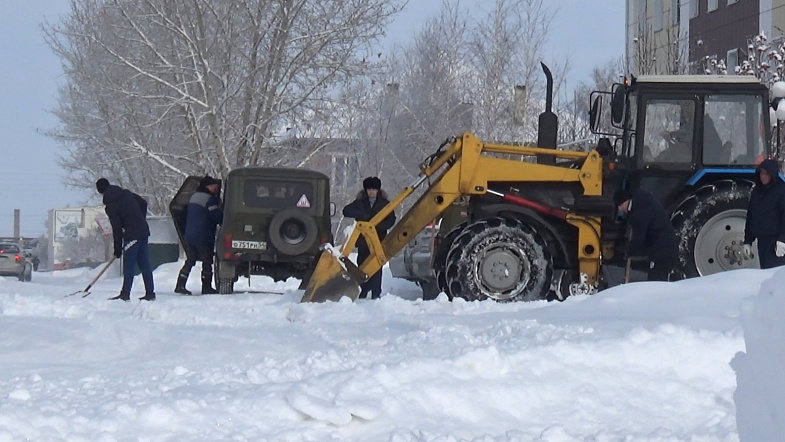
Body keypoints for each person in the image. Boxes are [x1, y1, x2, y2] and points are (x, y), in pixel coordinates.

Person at [96, 178, 156, 301]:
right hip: (143, 231)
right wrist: (139, 219)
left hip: (132, 235)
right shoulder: (126, 193)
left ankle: (125, 294)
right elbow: (143, 203)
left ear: (101, 192)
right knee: (144, 264)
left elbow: (117, 228)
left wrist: (117, 249)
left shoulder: (111, 206)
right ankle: (150, 293)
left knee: (129, 265)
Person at [342, 176, 396, 299]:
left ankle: (376, 291)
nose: (371, 192)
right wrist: (361, 215)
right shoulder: (360, 202)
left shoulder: (384, 204)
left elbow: (391, 219)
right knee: (361, 264)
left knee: (377, 265)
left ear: (378, 190)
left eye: (374, 189)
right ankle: (363, 290)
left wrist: (378, 227)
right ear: (365, 190)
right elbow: (346, 211)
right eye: (369, 189)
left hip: (379, 239)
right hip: (362, 240)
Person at [614, 188, 680, 281]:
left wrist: (629, 251)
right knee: (658, 279)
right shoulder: (644, 203)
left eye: (620, 205)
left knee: (655, 281)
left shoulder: (639, 212)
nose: (619, 209)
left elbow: (639, 236)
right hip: (667, 249)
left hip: (663, 251)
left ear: (626, 201)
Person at [175, 175, 224, 295]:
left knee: (190, 260)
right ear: (208, 186)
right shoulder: (209, 199)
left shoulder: (194, 197)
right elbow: (216, 216)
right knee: (207, 261)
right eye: (214, 187)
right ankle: (206, 287)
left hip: (190, 235)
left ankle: (180, 285)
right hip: (202, 235)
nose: (216, 189)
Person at [743, 159, 785, 269]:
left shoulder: (781, 191)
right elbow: (751, 216)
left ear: (772, 174)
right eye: (761, 173)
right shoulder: (757, 191)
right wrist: (748, 241)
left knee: (777, 274)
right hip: (762, 241)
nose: (763, 177)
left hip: (777, 242)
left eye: (766, 174)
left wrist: (782, 240)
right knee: (765, 271)